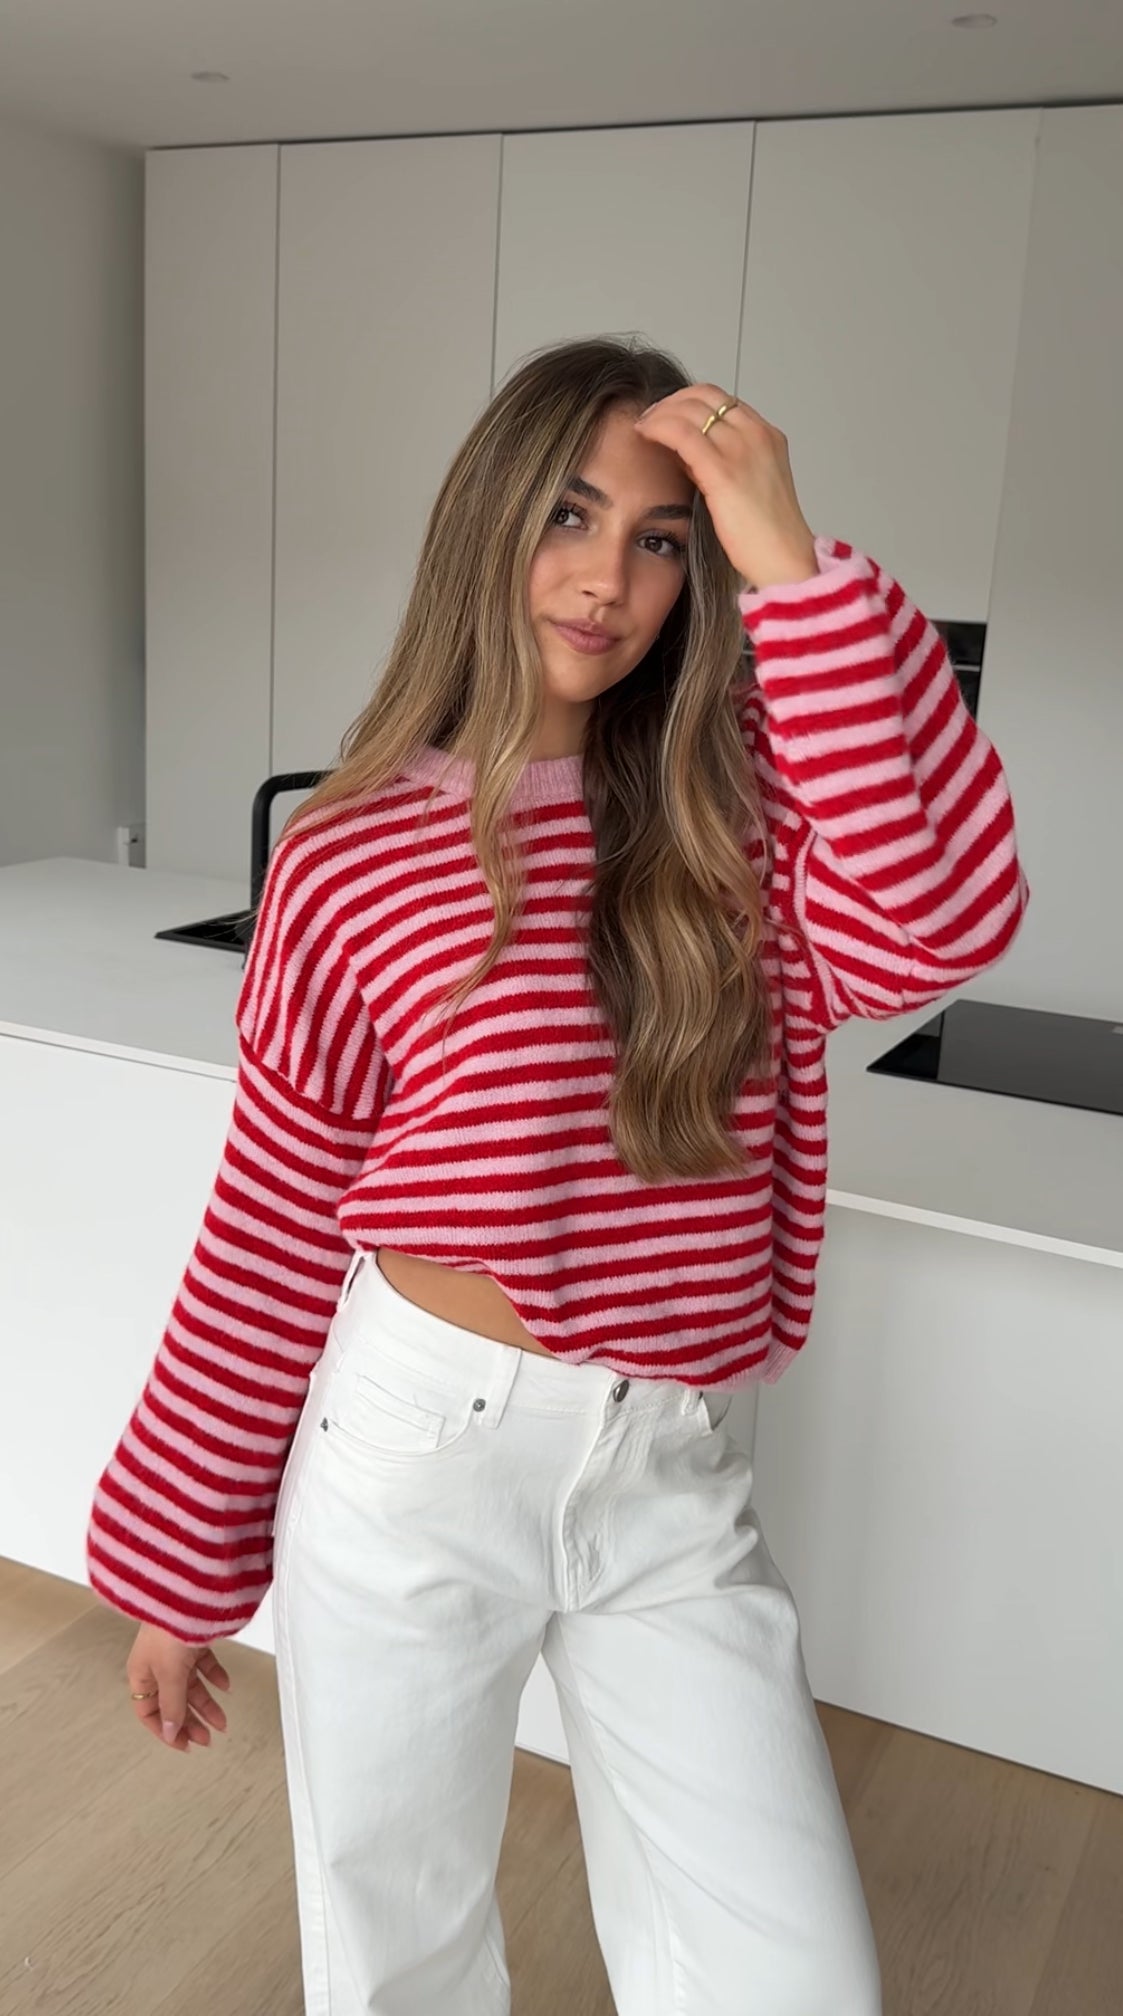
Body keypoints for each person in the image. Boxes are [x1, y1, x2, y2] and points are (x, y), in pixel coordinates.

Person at [86, 337, 1027, 2015]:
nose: (608, 579)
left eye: (664, 538)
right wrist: (180, 1567)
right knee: (402, 1964)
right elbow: (273, 1224)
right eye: (571, 516)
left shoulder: (738, 819)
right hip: (419, 1455)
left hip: (672, 1469)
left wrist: (791, 556)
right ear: (490, 523)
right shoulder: (347, 856)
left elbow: (939, 924)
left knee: (793, 1980)